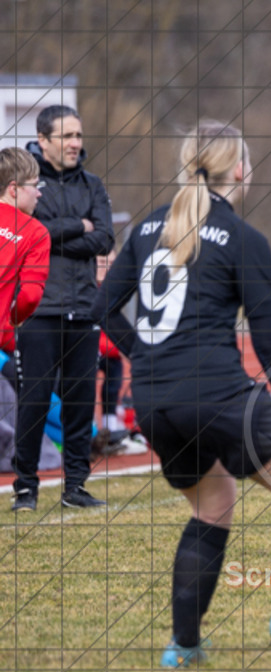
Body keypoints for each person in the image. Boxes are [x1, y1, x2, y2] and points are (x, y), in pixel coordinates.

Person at [92, 121, 271, 667]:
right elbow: (267, 340)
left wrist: (141, 354)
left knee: (212, 506)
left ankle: (183, 647)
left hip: (154, 398)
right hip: (216, 391)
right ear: (239, 170)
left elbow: (100, 308)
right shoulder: (244, 237)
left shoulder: (145, 230)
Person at [12, 106, 114, 511]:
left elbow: (104, 238)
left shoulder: (94, 184)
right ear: (43, 140)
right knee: (34, 402)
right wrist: (79, 226)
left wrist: (55, 232)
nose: (76, 143)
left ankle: (75, 486)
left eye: (78, 134)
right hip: (38, 311)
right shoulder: (24, 183)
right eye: (66, 135)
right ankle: (26, 489)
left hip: (84, 310)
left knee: (80, 404)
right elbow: (27, 230)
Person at [0, 148, 51, 482]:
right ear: (15, 188)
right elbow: (31, 296)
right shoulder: (34, 232)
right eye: (36, 184)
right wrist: (12, 318)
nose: (40, 192)